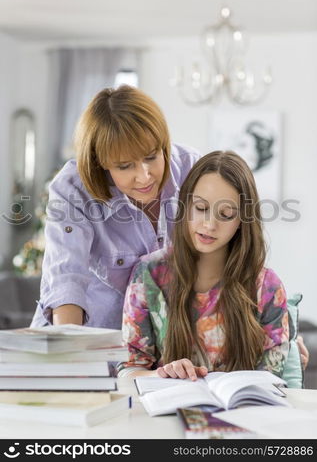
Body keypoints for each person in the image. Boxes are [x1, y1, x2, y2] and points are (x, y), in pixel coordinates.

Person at [31, 85, 200, 329]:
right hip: (89, 332)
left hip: (159, 340)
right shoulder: (73, 189)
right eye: (124, 166)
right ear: (101, 162)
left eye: (151, 157)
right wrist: (69, 354)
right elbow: (66, 279)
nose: (144, 177)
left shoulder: (191, 168)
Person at [118, 151, 291, 379]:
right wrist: (163, 375)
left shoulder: (267, 287)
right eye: (200, 208)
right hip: (169, 409)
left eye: (226, 214)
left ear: (242, 220)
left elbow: (272, 379)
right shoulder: (149, 275)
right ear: (185, 206)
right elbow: (129, 369)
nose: (209, 225)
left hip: (241, 412)